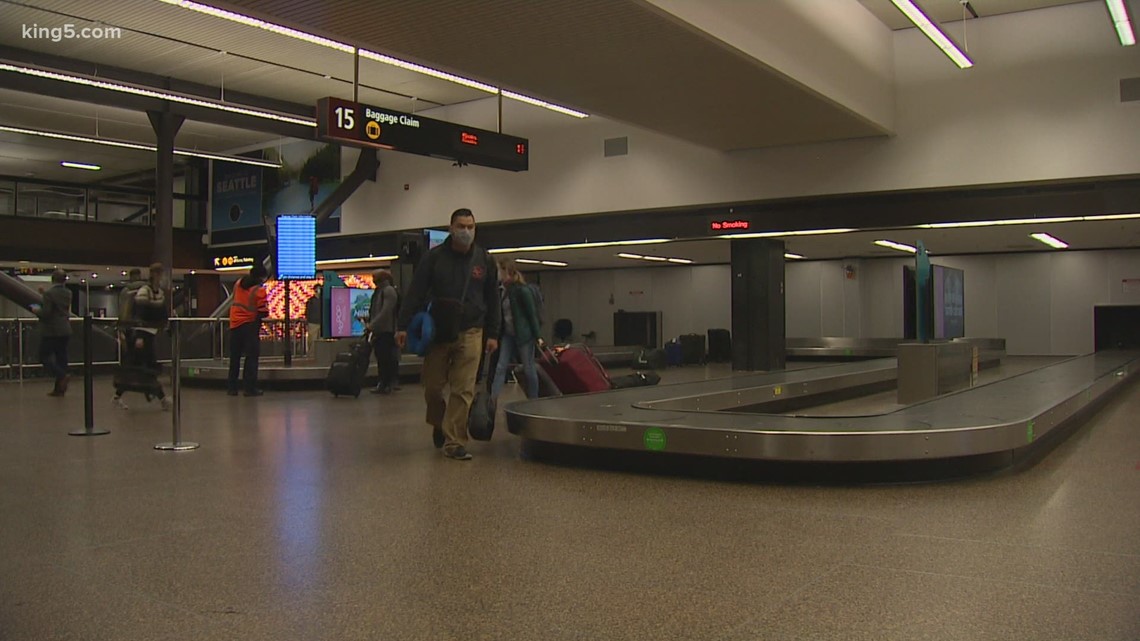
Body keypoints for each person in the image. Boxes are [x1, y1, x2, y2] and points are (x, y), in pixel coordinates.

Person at [397, 208, 500, 461]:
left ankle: (455, 441)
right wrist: (402, 325)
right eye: (461, 226)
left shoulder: (484, 260)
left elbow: (493, 298)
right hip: (439, 332)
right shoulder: (433, 259)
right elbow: (416, 292)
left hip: (472, 330)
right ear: (451, 228)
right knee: (432, 388)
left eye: (471, 226)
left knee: (463, 388)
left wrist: (493, 333)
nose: (466, 231)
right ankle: (439, 422)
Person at [113, 263, 171, 410]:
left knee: (137, 367)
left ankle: (118, 396)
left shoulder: (158, 292)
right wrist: (138, 336)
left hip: (149, 333)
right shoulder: (145, 291)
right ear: (156, 275)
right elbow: (140, 313)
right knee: (146, 367)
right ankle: (162, 398)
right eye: (161, 274)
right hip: (141, 335)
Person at [489, 259, 542, 402]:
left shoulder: (521, 290)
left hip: (524, 334)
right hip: (508, 334)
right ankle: (493, 399)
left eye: (500, 271)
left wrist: (538, 336)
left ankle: (534, 399)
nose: (498, 274)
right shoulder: (502, 291)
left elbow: (531, 314)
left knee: (528, 367)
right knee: (501, 366)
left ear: (508, 272)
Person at [227, 263, 269, 396]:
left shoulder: (238, 283)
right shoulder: (259, 289)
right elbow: (263, 311)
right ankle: (249, 388)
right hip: (249, 325)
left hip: (234, 324)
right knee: (251, 358)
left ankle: (232, 387)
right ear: (261, 277)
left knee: (235, 357)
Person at [32, 269, 72, 396]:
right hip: (65, 329)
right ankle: (60, 389)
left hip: (52, 331)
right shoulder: (68, 293)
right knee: (61, 358)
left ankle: (62, 375)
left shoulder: (49, 294)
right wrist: (45, 294)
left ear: (52, 279)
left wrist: (36, 310)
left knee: (43, 356)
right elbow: (58, 303)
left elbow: (46, 313)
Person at [368, 269, 401, 394]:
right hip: (381, 330)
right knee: (382, 358)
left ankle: (386, 383)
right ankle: (384, 383)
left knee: (386, 358)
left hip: (387, 331)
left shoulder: (388, 291)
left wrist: (372, 324)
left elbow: (386, 311)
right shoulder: (380, 291)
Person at [305, 291, 321, 357]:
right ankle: (311, 354)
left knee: (321, 340)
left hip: (322, 323)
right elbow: (307, 312)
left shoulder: (323, 300)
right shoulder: (311, 301)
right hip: (312, 323)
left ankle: (319, 355)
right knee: (312, 340)